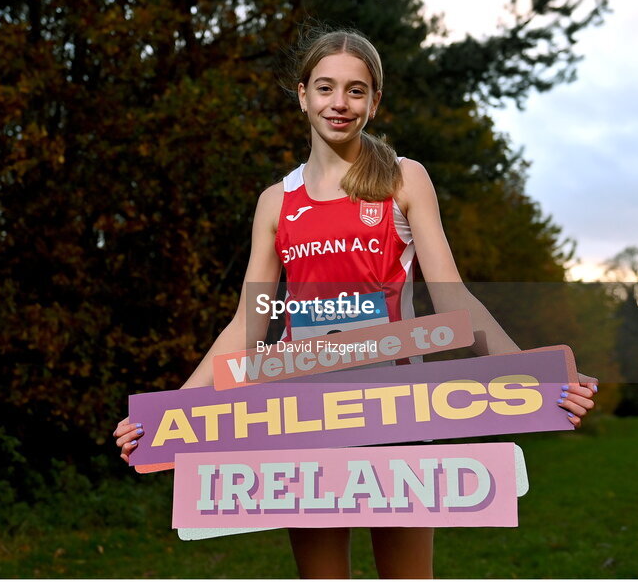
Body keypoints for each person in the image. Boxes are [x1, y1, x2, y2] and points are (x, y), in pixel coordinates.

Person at [114, 29, 598, 578]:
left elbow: (453, 299)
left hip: (400, 410)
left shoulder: (401, 179)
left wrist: (531, 374)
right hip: (299, 414)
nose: (338, 103)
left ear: (374, 101)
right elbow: (249, 325)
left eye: (355, 90)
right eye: (325, 88)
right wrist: (172, 412)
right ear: (302, 95)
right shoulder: (276, 202)